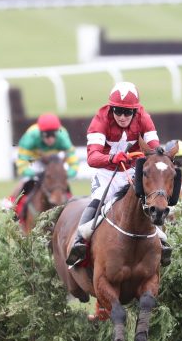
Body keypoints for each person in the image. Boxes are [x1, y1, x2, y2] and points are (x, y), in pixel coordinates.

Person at [65, 81, 172, 268]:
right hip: (107, 171)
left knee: (150, 202)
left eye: (128, 112)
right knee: (98, 199)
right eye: (117, 110)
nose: (122, 116)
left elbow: (155, 150)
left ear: (136, 111)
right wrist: (113, 157)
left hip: (133, 170)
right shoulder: (100, 119)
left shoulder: (144, 118)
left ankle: (161, 241)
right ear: (110, 108)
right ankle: (80, 240)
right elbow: (92, 157)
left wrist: (158, 154)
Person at [2, 113, 79, 212]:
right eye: (46, 135)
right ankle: (10, 203)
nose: (50, 139)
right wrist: (30, 173)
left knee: (60, 181)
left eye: (53, 135)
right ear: (40, 133)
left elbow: (72, 157)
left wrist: (69, 173)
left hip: (54, 160)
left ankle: (71, 205)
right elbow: (22, 161)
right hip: (35, 160)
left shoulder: (63, 136)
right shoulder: (31, 136)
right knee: (26, 181)